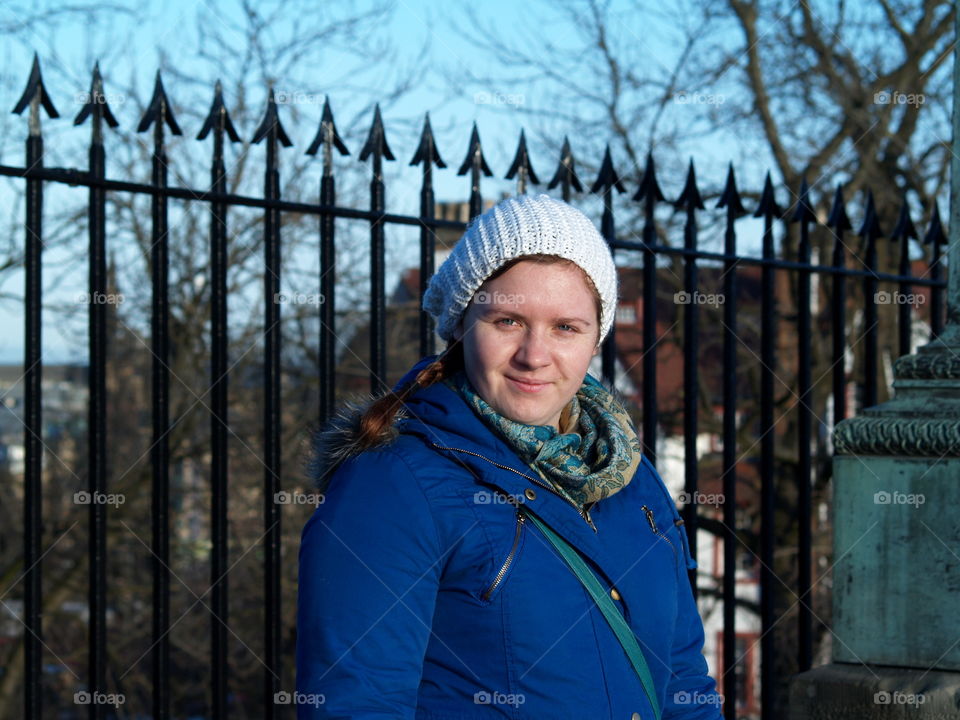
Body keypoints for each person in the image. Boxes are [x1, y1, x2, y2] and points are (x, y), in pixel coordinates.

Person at [296, 193, 722, 719]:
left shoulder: (630, 476)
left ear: (596, 340)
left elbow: (683, 678)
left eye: (566, 327)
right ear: (460, 324)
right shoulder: (391, 485)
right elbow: (359, 703)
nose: (535, 355)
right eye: (508, 321)